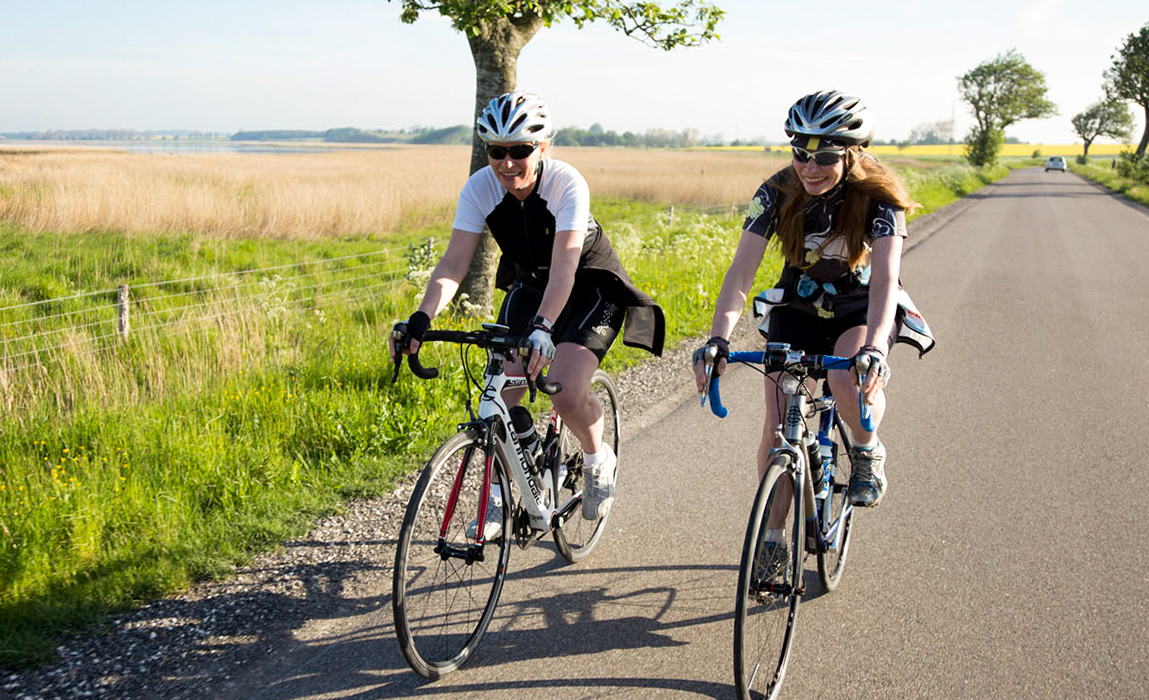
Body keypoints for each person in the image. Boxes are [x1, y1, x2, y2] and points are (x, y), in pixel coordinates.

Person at [390, 91, 665, 538]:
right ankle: (499, 495)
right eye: (497, 151)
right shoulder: (480, 187)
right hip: (532, 287)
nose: (507, 163)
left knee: (564, 388)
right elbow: (454, 263)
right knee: (501, 391)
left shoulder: (565, 183)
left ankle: (598, 458)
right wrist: (420, 319)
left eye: (520, 150)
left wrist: (542, 328)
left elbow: (565, 267)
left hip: (589, 286)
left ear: (542, 148)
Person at [692, 89, 934, 530]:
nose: (810, 167)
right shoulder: (777, 191)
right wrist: (718, 339)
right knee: (778, 425)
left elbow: (884, 280)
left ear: (853, 154)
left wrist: (876, 348)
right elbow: (742, 270)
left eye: (825, 157)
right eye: (801, 153)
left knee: (846, 377)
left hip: (859, 305)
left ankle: (866, 448)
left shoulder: (881, 198)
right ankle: (770, 540)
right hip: (798, 303)